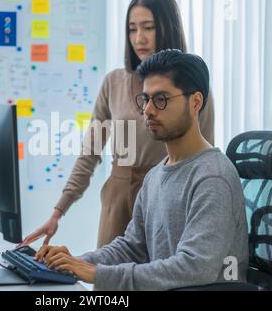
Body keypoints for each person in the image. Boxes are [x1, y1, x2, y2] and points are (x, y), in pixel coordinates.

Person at [34, 50, 249, 291]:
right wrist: (76, 262)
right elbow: (133, 246)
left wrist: (97, 273)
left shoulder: (213, 177)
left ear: (195, 102)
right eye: (145, 99)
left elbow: (194, 267)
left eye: (161, 99)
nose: (147, 110)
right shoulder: (156, 175)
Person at [21, 0, 215, 249]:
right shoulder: (114, 82)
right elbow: (89, 152)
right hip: (118, 201)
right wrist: (58, 211)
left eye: (149, 28)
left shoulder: (193, 89)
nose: (139, 38)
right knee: (106, 278)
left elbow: (203, 157)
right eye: (132, 29)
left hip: (167, 200)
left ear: (168, 28)